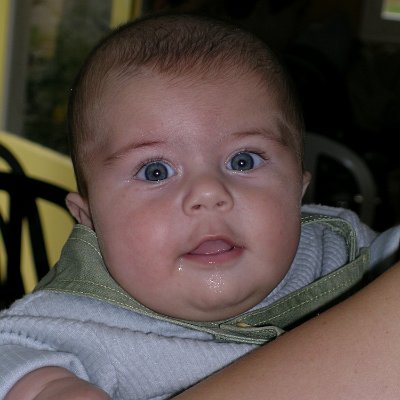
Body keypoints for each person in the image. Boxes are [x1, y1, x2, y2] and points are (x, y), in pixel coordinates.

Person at [1, 12, 399, 400]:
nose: (208, 192)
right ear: (89, 219)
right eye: (155, 171)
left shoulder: (341, 250)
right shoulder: (75, 316)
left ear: (299, 190)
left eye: (243, 161)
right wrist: (45, 387)